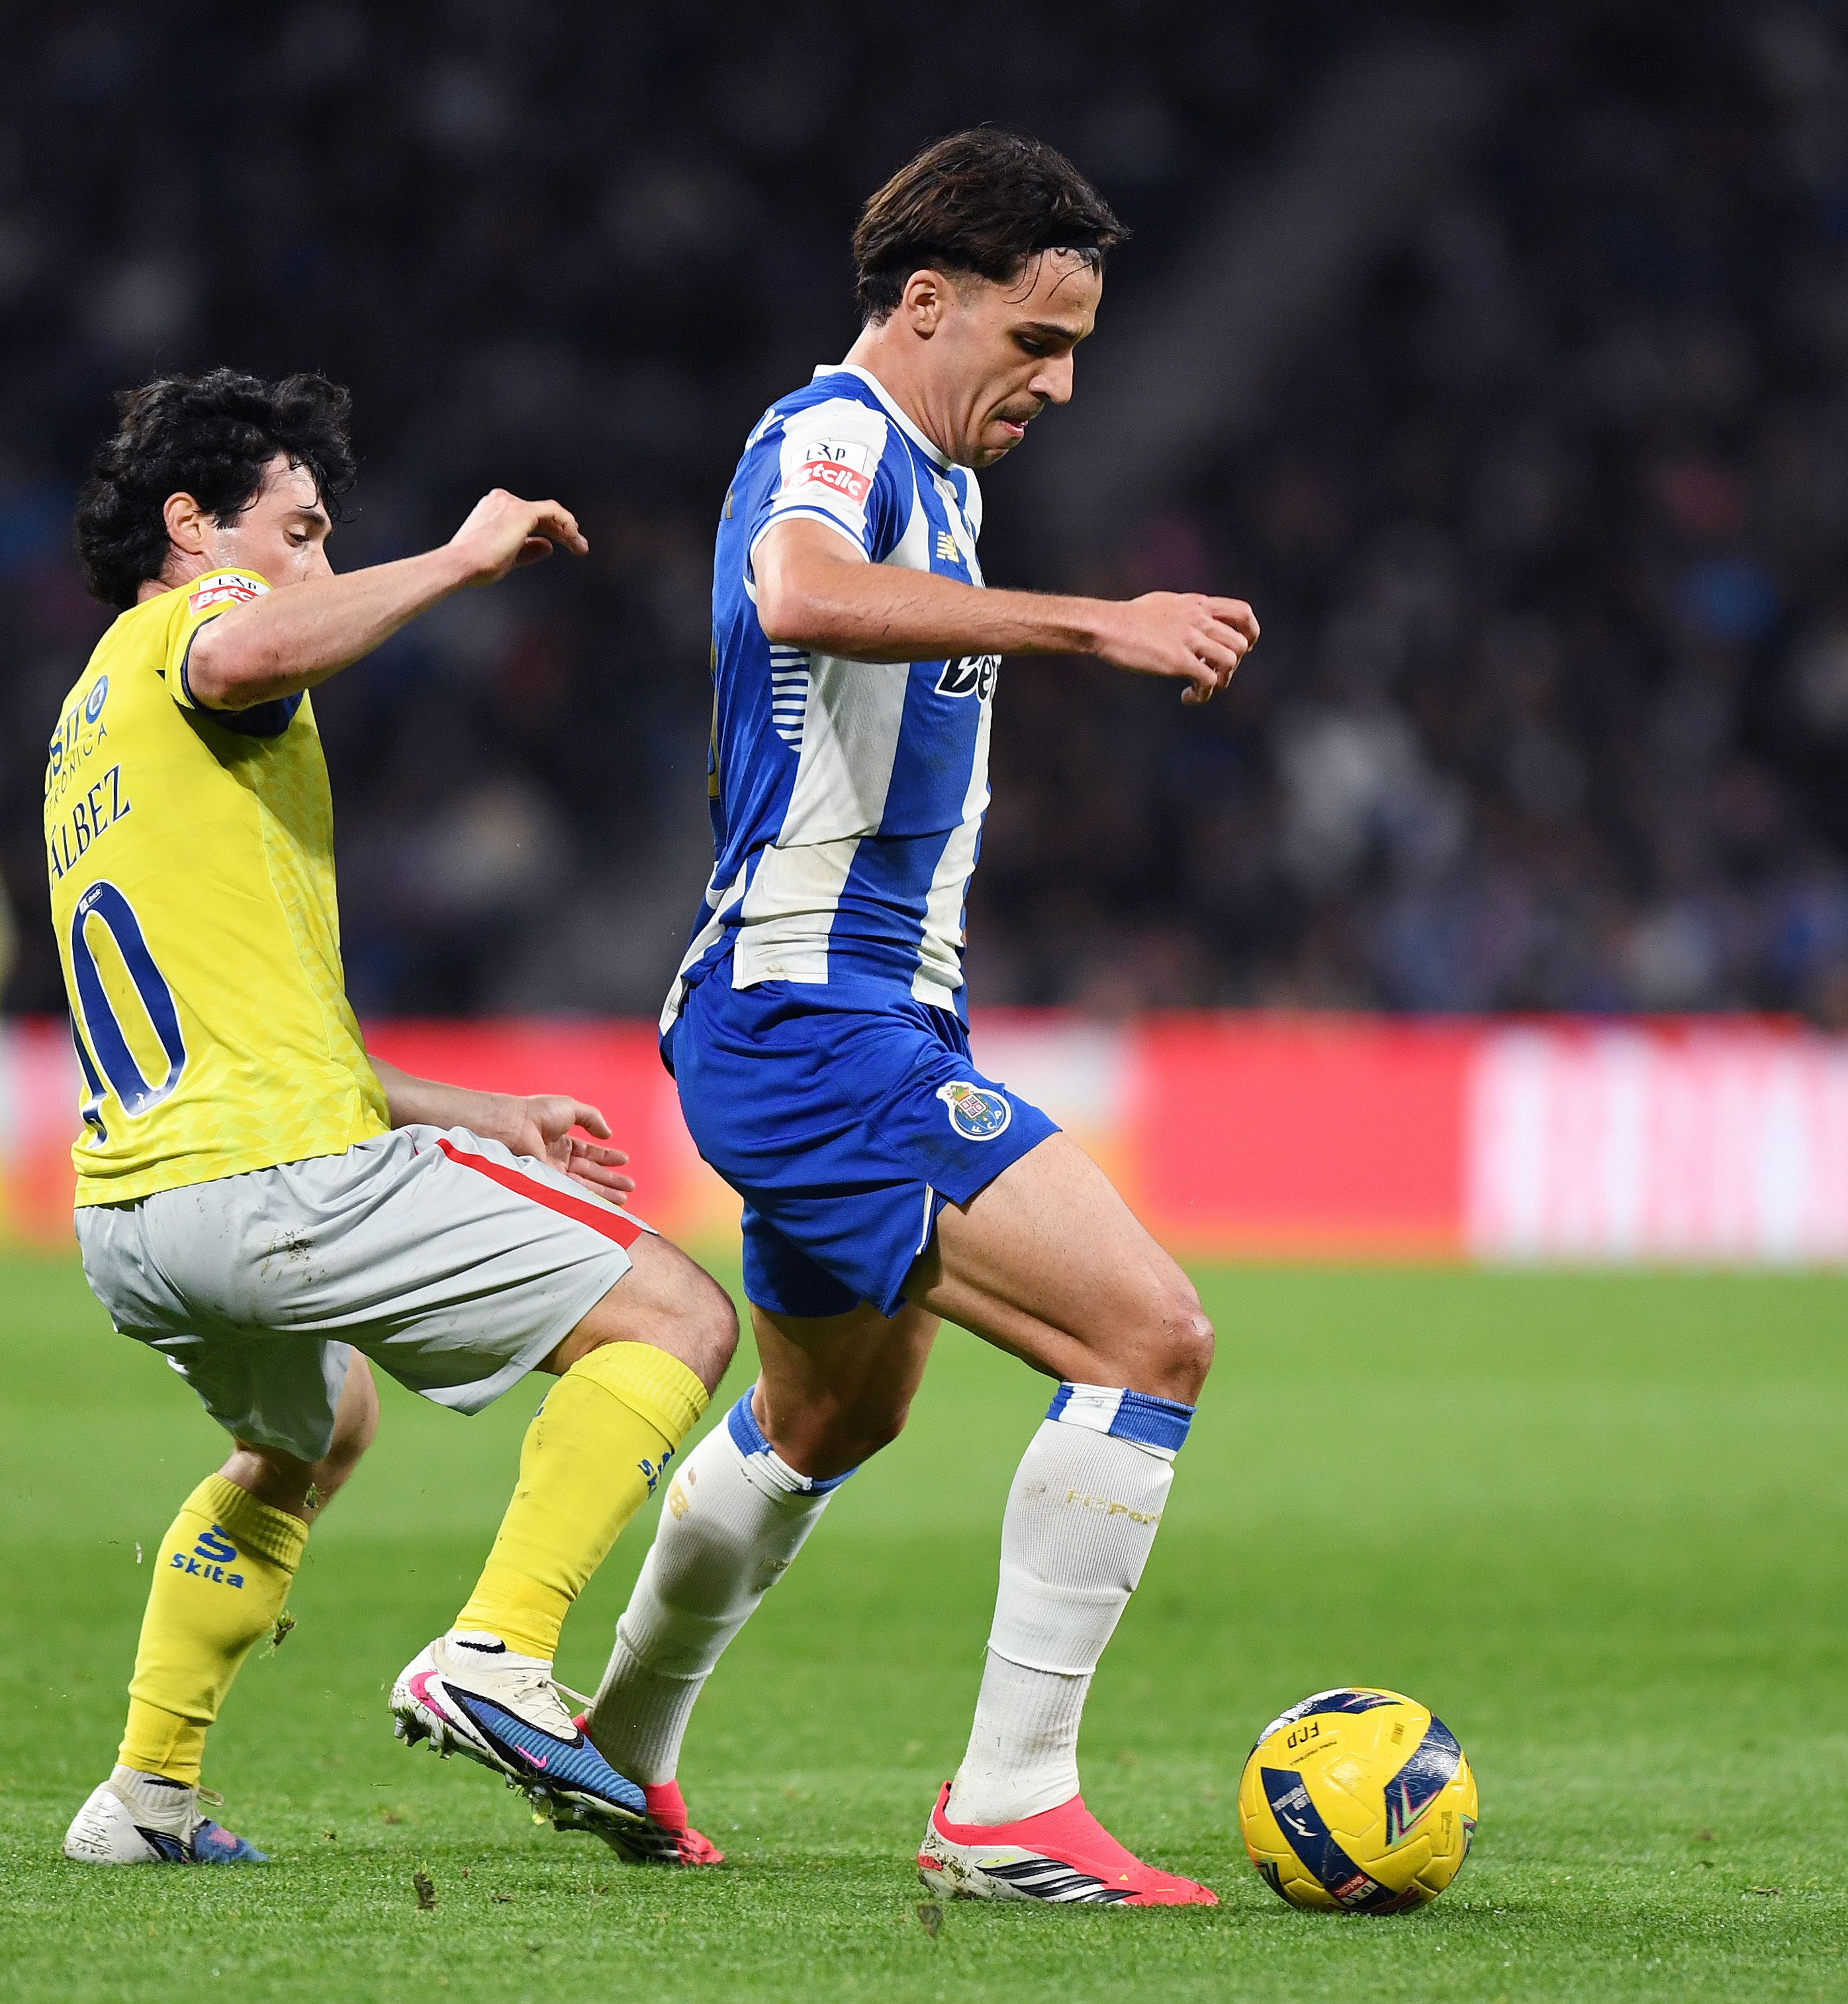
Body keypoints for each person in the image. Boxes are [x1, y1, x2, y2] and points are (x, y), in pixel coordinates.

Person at [575, 132, 1260, 1902]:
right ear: (926, 301)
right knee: (1148, 1336)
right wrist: (1089, 627)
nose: (1056, 382)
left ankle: (616, 1743)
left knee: (829, 1417)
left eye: (1079, 352)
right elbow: (793, 587)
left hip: (852, 1021)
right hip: (810, 1021)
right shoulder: (837, 435)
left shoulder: (943, 492)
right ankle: (1007, 1800)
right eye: (1032, 342)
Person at [46, 368, 739, 1868]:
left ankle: (143, 1793)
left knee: (315, 1427)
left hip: (134, 1212)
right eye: (298, 529)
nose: (321, 559)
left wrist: (480, 1112)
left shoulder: (84, 724)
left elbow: (268, 1024)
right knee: (677, 1314)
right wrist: (456, 557)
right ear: (192, 526)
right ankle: (498, 1646)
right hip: (272, 1181)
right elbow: (244, 649)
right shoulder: (187, 639)